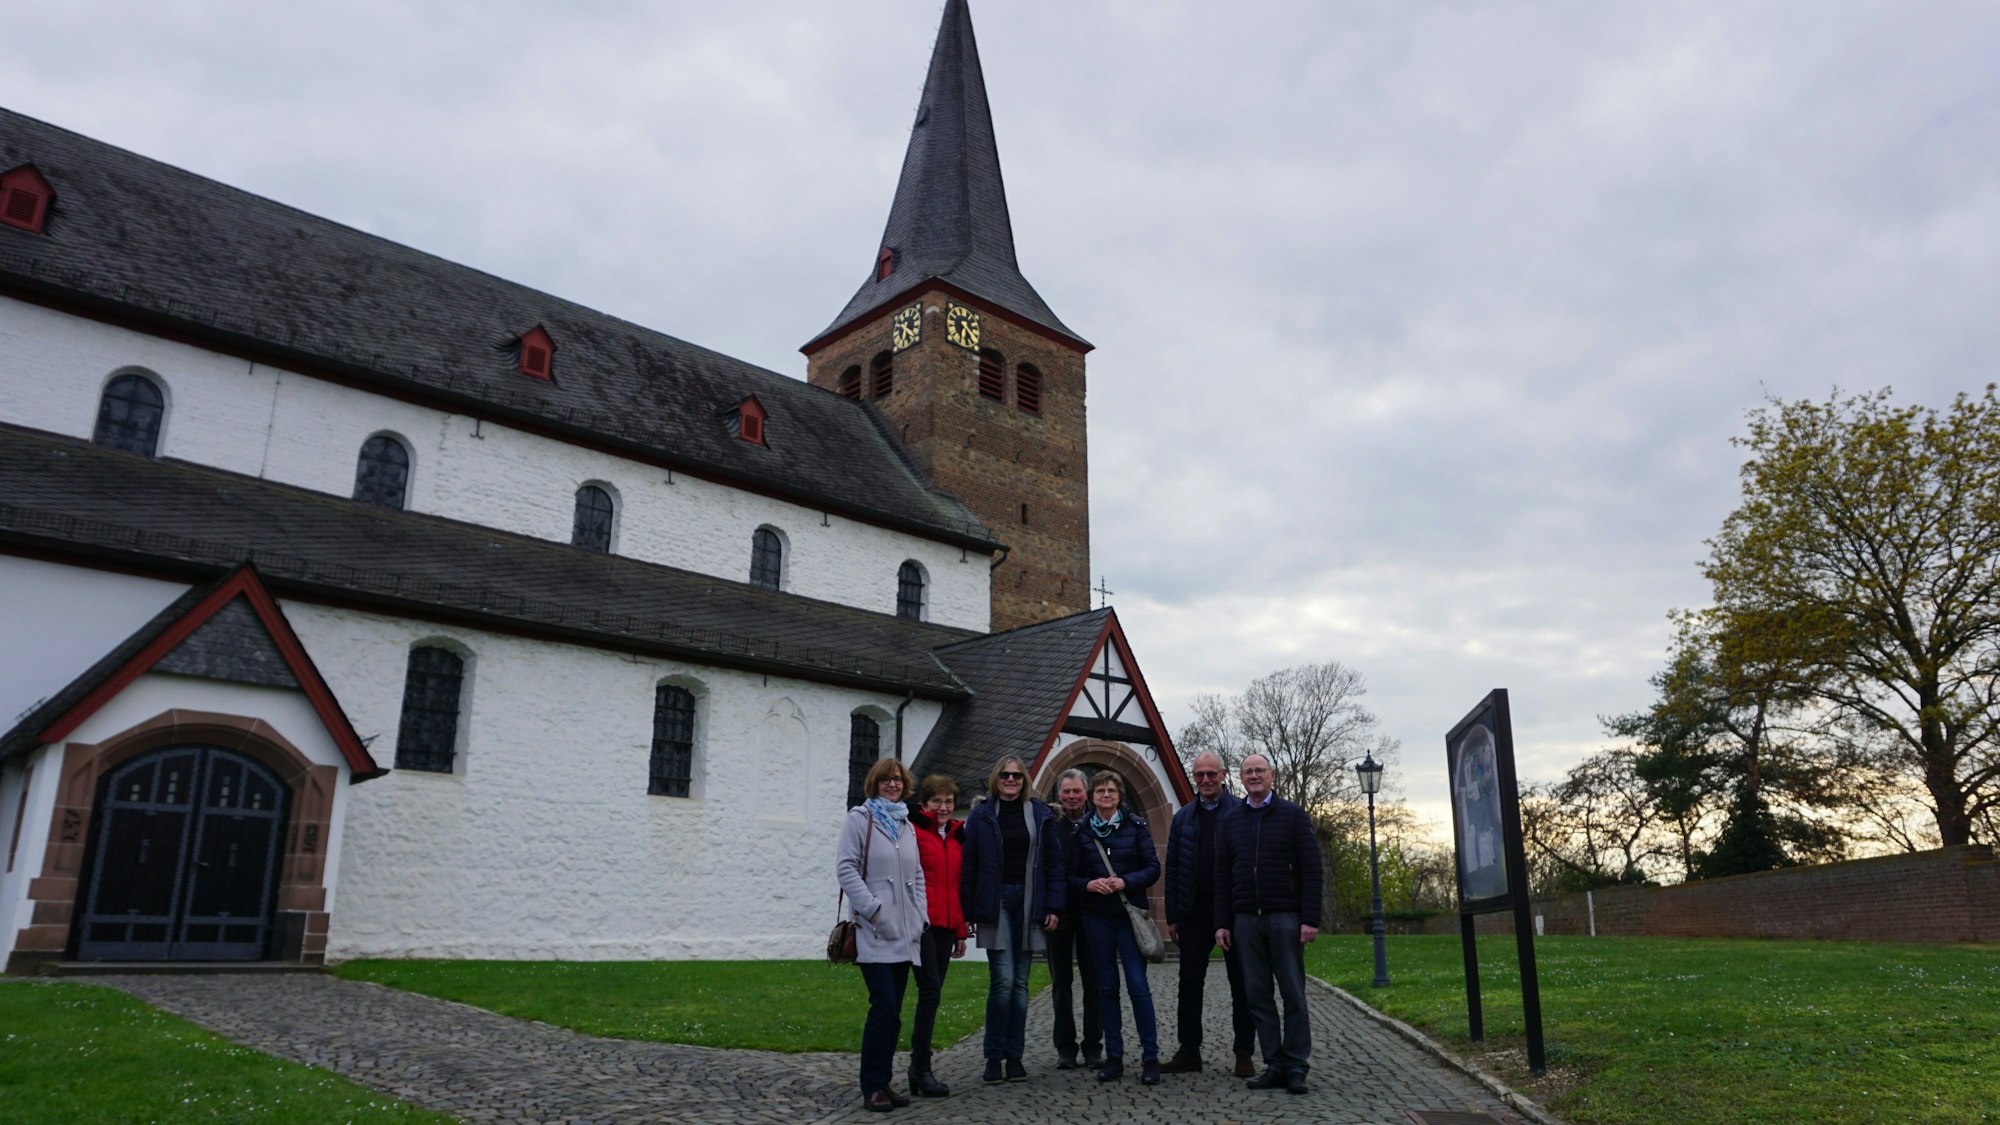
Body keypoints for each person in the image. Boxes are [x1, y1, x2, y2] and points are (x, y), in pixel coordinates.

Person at [1215, 752, 1324, 1096]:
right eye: (1248, 771)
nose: (1254, 776)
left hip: (1285, 917)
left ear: (1272, 775)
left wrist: (1310, 918)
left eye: (1259, 770)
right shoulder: (1232, 820)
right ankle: (1274, 1063)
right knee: (1258, 996)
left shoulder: (1292, 815)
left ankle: (1296, 1065)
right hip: (1246, 920)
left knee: (1293, 994)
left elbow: (1311, 869)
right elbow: (1222, 876)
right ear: (1240, 778)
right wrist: (1222, 922)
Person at [959, 755, 1066, 1084]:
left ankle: (1014, 1056)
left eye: (1017, 776)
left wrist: (1054, 906)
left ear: (1024, 780)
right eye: (1005, 775)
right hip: (997, 902)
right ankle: (994, 1057)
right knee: (1003, 980)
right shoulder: (981, 815)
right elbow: (970, 865)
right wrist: (968, 912)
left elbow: (1054, 863)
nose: (1010, 780)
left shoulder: (1039, 813)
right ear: (996, 778)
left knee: (1020, 984)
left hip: (1030, 901)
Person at [836, 758, 927, 1113]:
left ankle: (883, 1082)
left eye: (898, 779)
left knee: (893, 1013)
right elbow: (846, 868)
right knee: (884, 1006)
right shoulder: (860, 819)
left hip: (905, 933)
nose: (893, 784)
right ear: (874, 783)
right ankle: (871, 1086)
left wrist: (920, 915)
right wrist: (874, 909)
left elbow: (917, 874)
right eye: (886, 779)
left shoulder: (906, 824)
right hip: (874, 931)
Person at [1161, 751, 1256, 1077]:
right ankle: (1189, 1051)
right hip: (1193, 911)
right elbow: (1173, 868)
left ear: (1223, 775)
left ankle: (1244, 1052)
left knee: (1241, 984)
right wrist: (1172, 915)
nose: (1205, 780)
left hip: (1233, 911)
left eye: (1211, 774)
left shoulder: (1241, 812)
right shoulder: (1183, 818)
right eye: (1199, 774)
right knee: (1189, 984)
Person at [1068, 768, 1162, 1085]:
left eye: (1111, 790)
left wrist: (1125, 881)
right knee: (1106, 988)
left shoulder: (1136, 827)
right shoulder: (1081, 830)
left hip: (1128, 916)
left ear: (1119, 796)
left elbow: (1152, 868)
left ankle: (1151, 1058)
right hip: (1096, 918)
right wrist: (1088, 884)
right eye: (1100, 791)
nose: (1106, 795)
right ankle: (1115, 1057)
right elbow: (1070, 875)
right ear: (1092, 797)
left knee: (1137, 985)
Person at [907, 774, 968, 1098]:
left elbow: (956, 887)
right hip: (921, 924)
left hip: (945, 926)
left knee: (932, 994)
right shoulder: (913, 832)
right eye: (937, 801)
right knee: (929, 991)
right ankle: (920, 1068)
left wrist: (961, 931)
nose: (943, 807)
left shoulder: (957, 837)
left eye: (948, 801)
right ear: (924, 803)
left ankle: (918, 1069)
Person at [1045, 768, 1104, 1071]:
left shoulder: (1097, 822)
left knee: (1093, 980)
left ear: (1086, 793)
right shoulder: (1049, 824)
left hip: (1092, 909)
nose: (1071, 796)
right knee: (1061, 981)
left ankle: (1093, 1046)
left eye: (1076, 791)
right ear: (1059, 794)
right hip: (1059, 910)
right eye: (1066, 791)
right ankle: (1065, 1047)